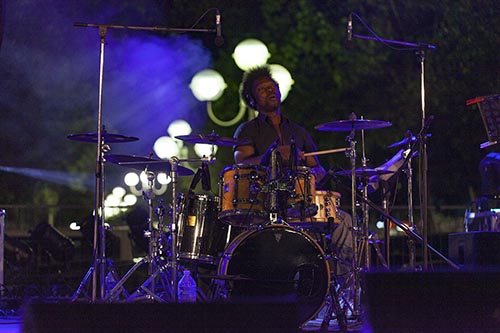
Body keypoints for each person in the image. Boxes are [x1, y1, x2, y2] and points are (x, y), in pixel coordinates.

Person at [232, 65, 353, 280]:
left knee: (345, 221)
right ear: (252, 100)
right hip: (264, 205)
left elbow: (318, 168)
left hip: (301, 205)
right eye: (262, 89)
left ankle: (346, 287)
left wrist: (313, 169)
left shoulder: (298, 131)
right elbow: (242, 164)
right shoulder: (248, 130)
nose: (270, 91)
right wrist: (274, 154)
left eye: (273, 87)